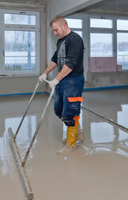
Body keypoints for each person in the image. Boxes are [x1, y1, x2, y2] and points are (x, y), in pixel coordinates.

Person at [39, 16, 85, 153]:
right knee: (59, 110)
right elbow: (55, 59)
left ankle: (71, 144)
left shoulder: (75, 39)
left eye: (56, 30)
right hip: (62, 79)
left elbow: (70, 65)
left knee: (70, 111)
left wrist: (56, 79)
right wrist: (45, 73)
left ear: (64, 25)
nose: (55, 33)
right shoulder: (61, 41)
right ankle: (78, 133)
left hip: (74, 79)